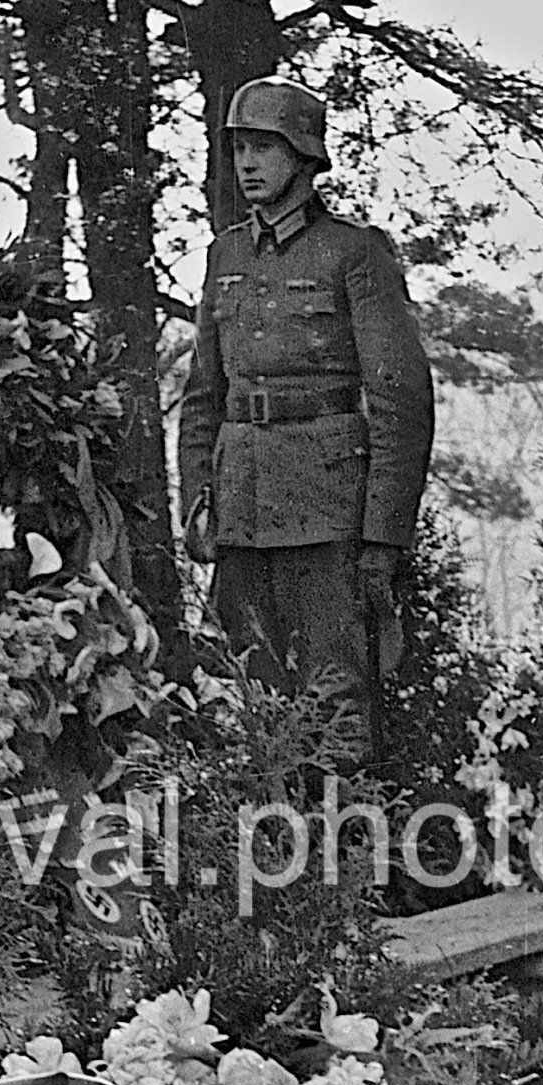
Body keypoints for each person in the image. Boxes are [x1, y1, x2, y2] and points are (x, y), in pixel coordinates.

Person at [177, 79, 435, 759]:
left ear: (302, 154)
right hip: (241, 510)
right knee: (247, 704)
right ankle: (265, 854)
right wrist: (197, 499)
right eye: (239, 148)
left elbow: (400, 400)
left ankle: (345, 855)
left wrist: (383, 538)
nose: (248, 163)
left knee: (335, 711)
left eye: (264, 147)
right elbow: (204, 392)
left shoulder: (354, 253)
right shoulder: (223, 256)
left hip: (326, 513)